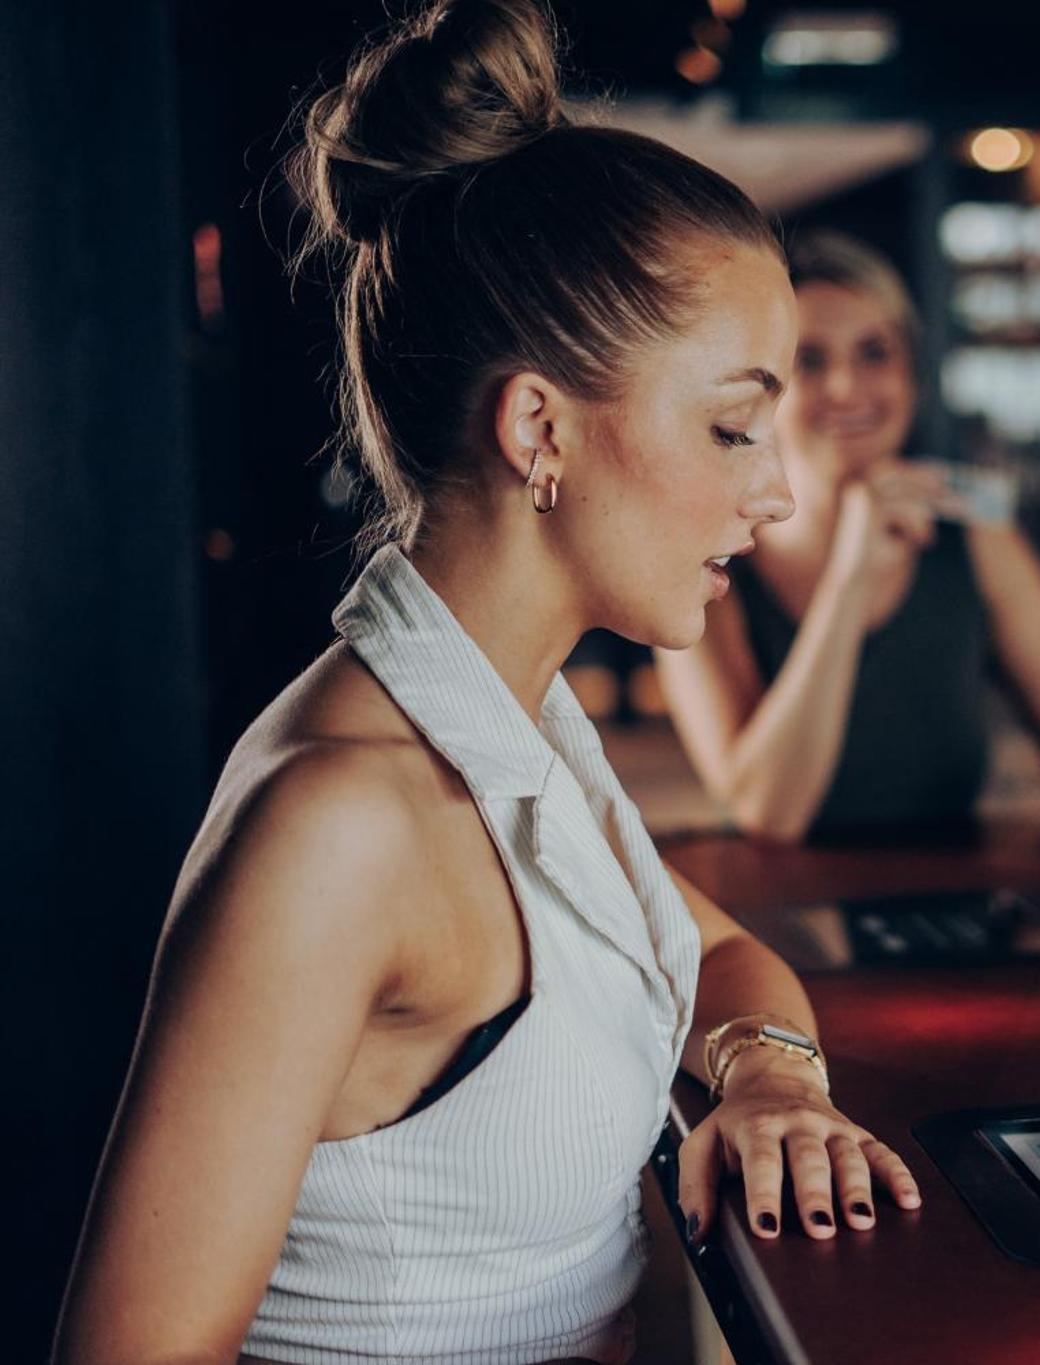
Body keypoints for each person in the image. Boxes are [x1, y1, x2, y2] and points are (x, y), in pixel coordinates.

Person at [56, 4, 918, 1362]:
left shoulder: (512, 721)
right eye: (734, 424)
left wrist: (768, 1082)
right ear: (539, 428)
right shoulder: (341, 820)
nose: (778, 487)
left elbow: (721, 958)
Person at [656, 229, 1040, 844]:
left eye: (875, 352)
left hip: (954, 905)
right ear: (763, 391)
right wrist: (850, 577)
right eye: (810, 361)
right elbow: (767, 812)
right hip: (785, 919)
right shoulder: (706, 562)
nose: (847, 387)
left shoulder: (976, 538)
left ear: (912, 375)